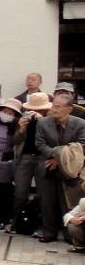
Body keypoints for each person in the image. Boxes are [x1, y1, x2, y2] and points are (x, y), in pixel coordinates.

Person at [35, 94, 85, 242]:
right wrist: (55, 156)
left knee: (69, 201)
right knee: (47, 202)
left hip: (71, 168)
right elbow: (40, 144)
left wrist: (61, 158)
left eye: (58, 106)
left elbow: (82, 145)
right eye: (53, 105)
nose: (54, 109)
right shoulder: (43, 123)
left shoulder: (80, 123)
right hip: (47, 166)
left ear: (69, 109)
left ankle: (70, 234)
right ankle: (49, 232)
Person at [8, 92, 50, 234]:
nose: (35, 112)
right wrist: (21, 129)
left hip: (42, 158)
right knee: (20, 192)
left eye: (39, 110)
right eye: (33, 109)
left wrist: (42, 121)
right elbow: (15, 141)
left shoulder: (50, 120)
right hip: (25, 157)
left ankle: (41, 223)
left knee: (42, 193)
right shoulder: (23, 119)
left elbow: (52, 140)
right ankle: (16, 221)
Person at [0, 98, 21, 231]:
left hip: (5, 162)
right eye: (5, 111)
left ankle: (1, 219)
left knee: (1, 193)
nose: (7, 114)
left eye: (11, 113)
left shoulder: (17, 125)